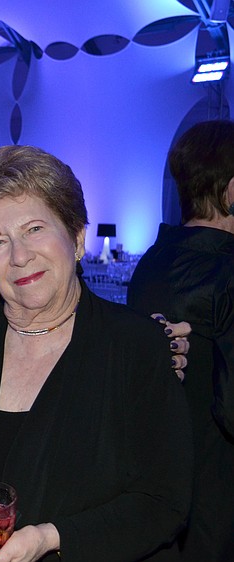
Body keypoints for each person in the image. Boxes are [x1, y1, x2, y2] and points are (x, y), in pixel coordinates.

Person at [0, 145, 193, 562]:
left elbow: (163, 502)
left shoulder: (136, 345)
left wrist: (49, 537)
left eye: (35, 229)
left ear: (77, 238)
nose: (20, 256)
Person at [128, 120, 234, 560]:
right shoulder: (226, 272)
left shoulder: (150, 262)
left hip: (160, 495)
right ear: (231, 192)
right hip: (219, 502)